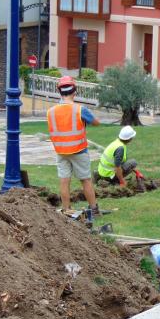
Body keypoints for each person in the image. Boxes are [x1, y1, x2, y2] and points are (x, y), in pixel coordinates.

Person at [47, 75, 101, 215]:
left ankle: (66, 209)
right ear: (74, 92)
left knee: (64, 180)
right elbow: (96, 123)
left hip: (61, 151)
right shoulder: (79, 109)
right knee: (85, 180)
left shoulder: (51, 111)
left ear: (59, 92)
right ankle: (94, 209)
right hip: (79, 150)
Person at [95, 126, 144, 191]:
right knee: (133, 162)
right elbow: (117, 167)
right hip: (109, 175)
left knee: (129, 163)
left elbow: (121, 162)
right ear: (129, 138)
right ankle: (114, 181)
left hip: (102, 172)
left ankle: (107, 179)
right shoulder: (120, 148)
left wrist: (136, 172)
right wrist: (122, 182)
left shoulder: (116, 143)